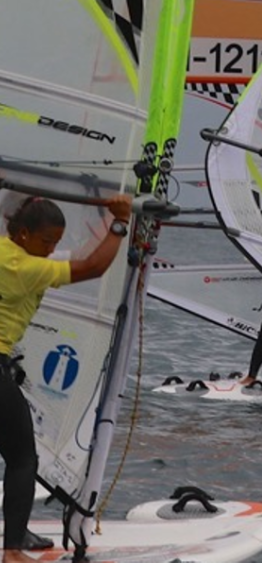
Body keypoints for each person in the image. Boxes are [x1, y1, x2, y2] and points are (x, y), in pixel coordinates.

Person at [0, 194, 132, 561]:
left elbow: (80, 256)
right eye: (46, 242)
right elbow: (92, 267)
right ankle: (11, 550)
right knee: (23, 457)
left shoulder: (7, 252)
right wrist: (120, 224)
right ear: (23, 233)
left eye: (57, 243)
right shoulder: (26, 268)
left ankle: (18, 532)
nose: (51, 249)